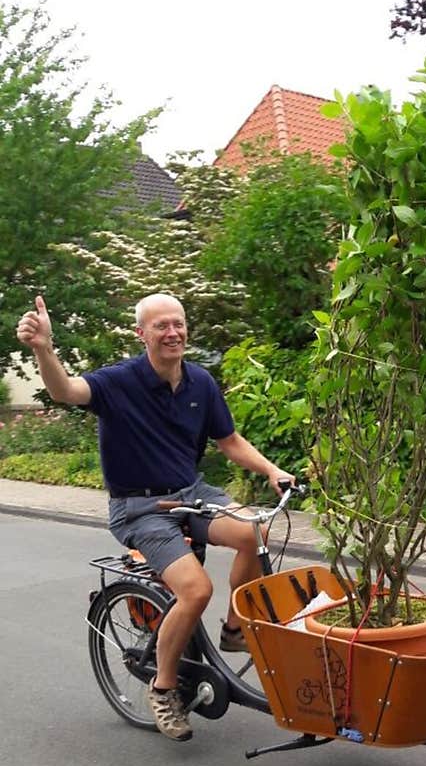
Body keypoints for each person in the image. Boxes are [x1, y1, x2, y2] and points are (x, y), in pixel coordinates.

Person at [17, 292, 294, 742]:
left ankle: (233, 629)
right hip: (140, 509)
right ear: (141, 334)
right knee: (195, 590)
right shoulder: (118, 382)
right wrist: (45, 350)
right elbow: (65, 391)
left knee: (252, 531)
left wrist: (271, 469)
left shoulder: (199, 383)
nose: (173, 333)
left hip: (190, 494)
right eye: (161, 326)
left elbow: (229, 440)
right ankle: (163, 689)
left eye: (178, 324)